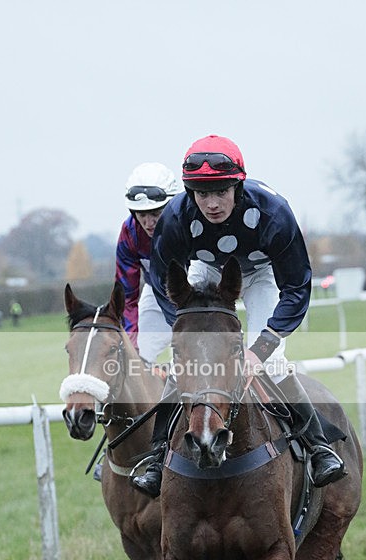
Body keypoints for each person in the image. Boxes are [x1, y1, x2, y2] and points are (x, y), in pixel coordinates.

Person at [130, 134, 345, 498]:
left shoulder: (273, 213)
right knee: (183, 362)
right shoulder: (177, 217)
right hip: (209, 270)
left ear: (238, 185)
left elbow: (296, 288)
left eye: (221, 192)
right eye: (202, 194)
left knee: (272, 362)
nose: (211, 204)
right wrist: (185, 334)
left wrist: (259, 348)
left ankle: (318, 446)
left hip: (262, 275)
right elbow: (163, 279)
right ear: (189, 193)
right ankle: (155, 458)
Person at [114, 162, 178, 362]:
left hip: (195, 295)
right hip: (156, 291)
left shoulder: (189, 225)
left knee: (187, 357)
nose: (149, 223)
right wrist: (131, 342)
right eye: (142, 214)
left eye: (155, 214)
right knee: (140, 355)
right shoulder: (129, 234)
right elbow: (127, 297)